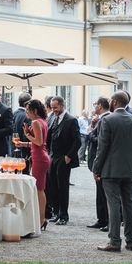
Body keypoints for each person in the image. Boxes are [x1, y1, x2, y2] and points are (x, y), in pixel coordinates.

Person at [92, 91, 132, 252]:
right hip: (130, 169)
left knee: (113, 205)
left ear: (113, 102)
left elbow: (102, 147)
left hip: (110, 170)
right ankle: (131, 241)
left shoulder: (108, 120)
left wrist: (96, 169)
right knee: (129, 205)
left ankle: (114, 241)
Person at [46, 96, 80, 225]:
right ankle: (56, 212)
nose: (53, 110)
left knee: (63, 187)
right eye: (52, 107)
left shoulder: (71, 120)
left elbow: (77, 141)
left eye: (55, 107)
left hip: (64, 158)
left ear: (62, 105)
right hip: (53, 156)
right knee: (53, 186)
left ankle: (64, 215)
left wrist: (68, 156)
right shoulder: (52, 118)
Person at [16, 99, 50, 231]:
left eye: (28, 110)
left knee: (39, 190)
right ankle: (41, 219)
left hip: (39, 158)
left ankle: (41, 220)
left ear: (34, 111)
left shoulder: (36, 122)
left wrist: (26, 135)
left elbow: (39, 142)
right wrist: (24, 143)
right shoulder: (42, 122)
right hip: (41, 156)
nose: (26, 113)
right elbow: (38, 144)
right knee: (39, 189)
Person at [86, 96, 110, 230]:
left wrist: (89, 133)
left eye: (95, 104)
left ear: (100, 106)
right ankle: (102, 219)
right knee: (101, 192)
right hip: (101, 162)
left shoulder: (105, 119)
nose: (94, 106)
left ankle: (104, 220)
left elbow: (100, 141)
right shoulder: (101, 120)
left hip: (101, 162)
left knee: (103, 193)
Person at [12, 92, 32, 173]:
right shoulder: (28, 116)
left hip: (13, 150)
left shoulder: (14, 113)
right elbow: (27, 135)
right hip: (24, 152)